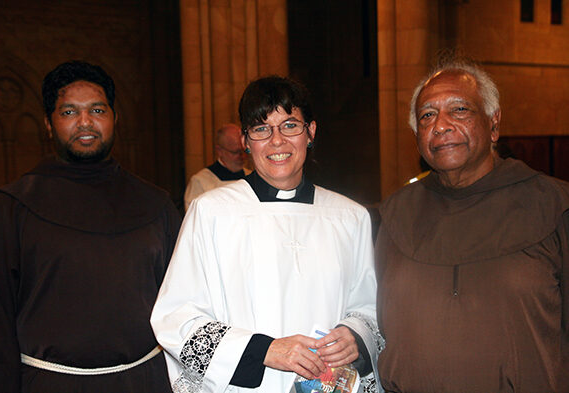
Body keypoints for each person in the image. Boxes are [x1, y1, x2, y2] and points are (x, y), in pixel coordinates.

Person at [151, 76, 384, 393]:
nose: (277, 141)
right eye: (262, 129)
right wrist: (263, 350)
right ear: (246, 141)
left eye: (290, 125)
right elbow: (176, 319)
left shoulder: (349, 217)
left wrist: (354, 335)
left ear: (311, 132)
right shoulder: (211, 213)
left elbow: (369, 307)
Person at [0, 61, 182, 393]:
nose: (85, 122)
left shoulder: (156, 205)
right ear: (48, 124)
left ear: (115, 118)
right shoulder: (10, 209)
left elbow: (183, 303)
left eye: (97, 110)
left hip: (145, 382)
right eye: (69, 112)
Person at [375, 56, 569, 393]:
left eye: (460, 110)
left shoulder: (554, 204)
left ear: (494, 124)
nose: (441, 125)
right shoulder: (394, 213)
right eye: (427, 116)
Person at [183, 123, 247, 210]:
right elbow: (195, 218)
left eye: (245, 151)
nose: (242, 156)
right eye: (236, 152)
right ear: (219, 151)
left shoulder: (252, 176)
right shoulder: (200, 181)